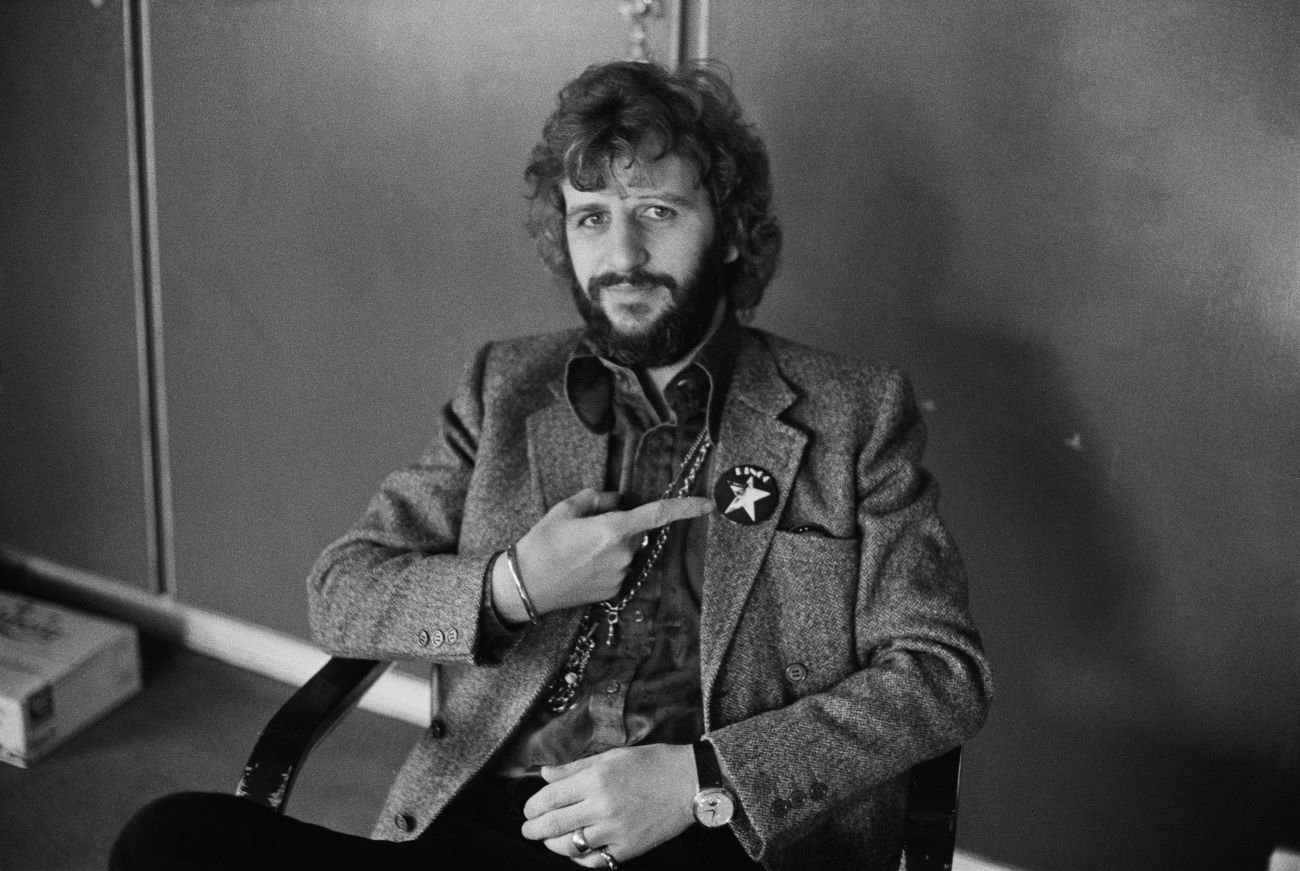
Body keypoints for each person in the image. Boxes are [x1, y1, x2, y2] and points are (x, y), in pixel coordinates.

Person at [111, 59, 991, 871]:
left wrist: (700, 776)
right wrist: (512, 584)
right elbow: (341, 590)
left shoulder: (851, 410)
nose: (622, 257)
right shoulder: (505, 386)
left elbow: (939, 671)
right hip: (497, 824)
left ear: (727, 232)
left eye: (657, 211)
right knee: (168, 839)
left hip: (718, 835)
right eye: (591, 217)